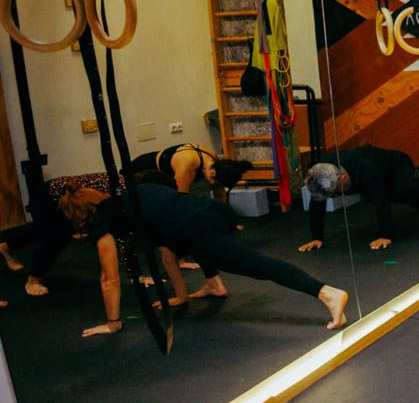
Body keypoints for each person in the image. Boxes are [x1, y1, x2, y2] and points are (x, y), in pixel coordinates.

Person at [82, 180, 348, 336]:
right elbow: (167, 252)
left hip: (200, 228)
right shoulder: (137, 192)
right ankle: (214, 284)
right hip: (214, 211)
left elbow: (109, 278)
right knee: (191, 241)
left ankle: (326, 293)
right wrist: (181, 296)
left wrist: (113, 323)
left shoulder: (105, 220)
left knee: (257, 265)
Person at [299, 146, 419, 253]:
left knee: (406, 191)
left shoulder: (364, 167)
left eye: (337, 193)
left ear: (342, 178)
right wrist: (316, 237)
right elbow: (317, 201)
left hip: (397, 164)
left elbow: (380, 199)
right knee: (399, 190)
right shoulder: (321, 172)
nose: (336, 196)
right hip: (377, 172)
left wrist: (385, 235)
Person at [1, 186, 108, 297]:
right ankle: (33, 280)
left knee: (44, 227)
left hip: (60, 196)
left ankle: (7, 246)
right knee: (58, 234)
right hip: (49, 197)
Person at [126, 142, 252, 196]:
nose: (214, 185)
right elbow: (181, 201)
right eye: (216, 182)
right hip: (140, 169)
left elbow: (220, 195)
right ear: (212, 173)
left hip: (161, 173)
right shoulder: (189, 166)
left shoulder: (214, 161)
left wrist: (229, 223)